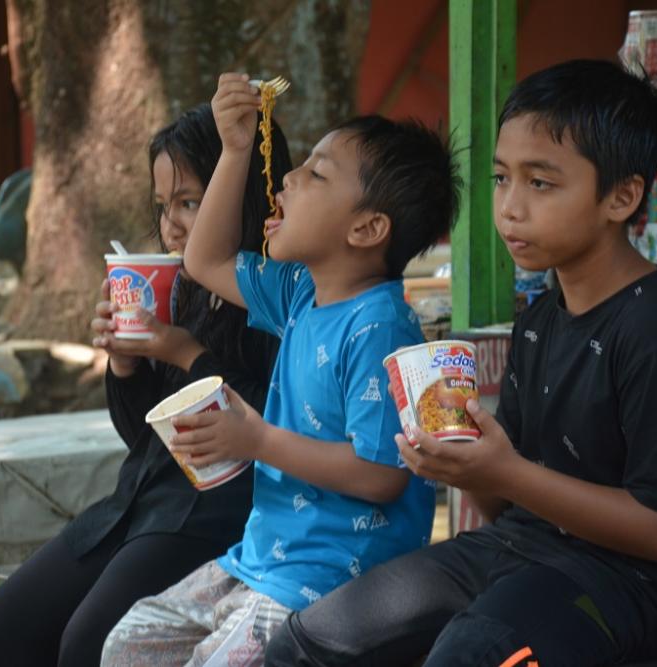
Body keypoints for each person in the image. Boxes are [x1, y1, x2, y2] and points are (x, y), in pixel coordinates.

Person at [264, 59, 657, 667]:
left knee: (473, 654)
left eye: (540, 183)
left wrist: (505, 473)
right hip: (522, 547)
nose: (510, 208)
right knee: (307, 642)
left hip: (641, 585)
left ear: (622, 196)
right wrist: (464, 462)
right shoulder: (541, 321)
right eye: (501, 178)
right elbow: (511, 499)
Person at [99, 73, 461, 666]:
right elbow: (204, 259)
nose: (288, 179)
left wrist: (257, 439)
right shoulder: (299, 292)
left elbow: (381, 476)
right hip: (260, 559)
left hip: (330, 580)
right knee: (129, 645)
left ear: (366, 229)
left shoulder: (380, 326)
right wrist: (236, 148)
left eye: (316, 174)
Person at [0, 103, 291, 667]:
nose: (171, 225)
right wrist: (126, 363)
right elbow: (145, 437)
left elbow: (272, 419)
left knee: (87, 642)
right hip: (140, 503)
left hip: (220, 516)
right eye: (163, 206)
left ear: (242, 193)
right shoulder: (185, 290)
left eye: (189, 202)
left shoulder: (279, 296)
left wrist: (184, 353)